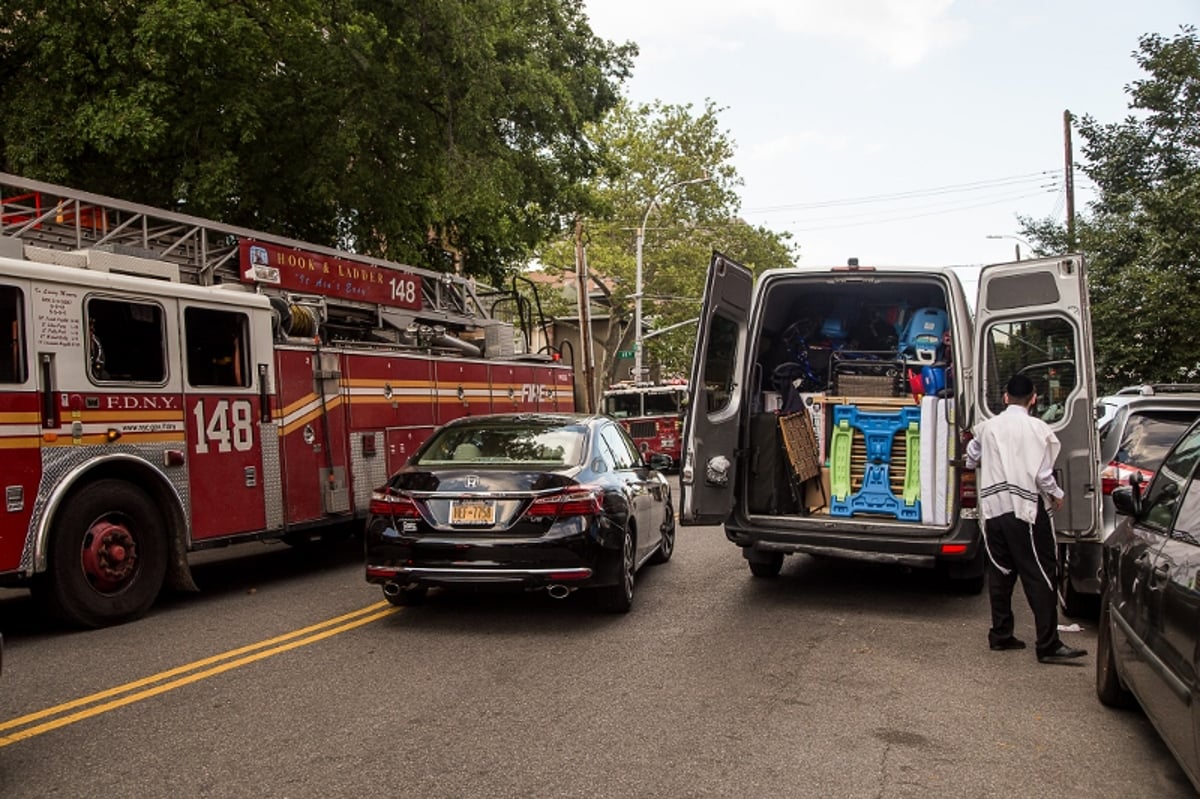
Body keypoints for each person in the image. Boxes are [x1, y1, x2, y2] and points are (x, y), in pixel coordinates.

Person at [965, 373, 1087, 664]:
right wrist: (1057, 494)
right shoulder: (1039, 429)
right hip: (1025, 510)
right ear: (1033, 399)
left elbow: (970, 458)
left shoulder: (987, 428)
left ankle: (1001, 635)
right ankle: (1048, 644)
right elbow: (1043, 474)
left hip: (994, 511)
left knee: (1001, 572)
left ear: (1005, 397)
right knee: (1040, 574)